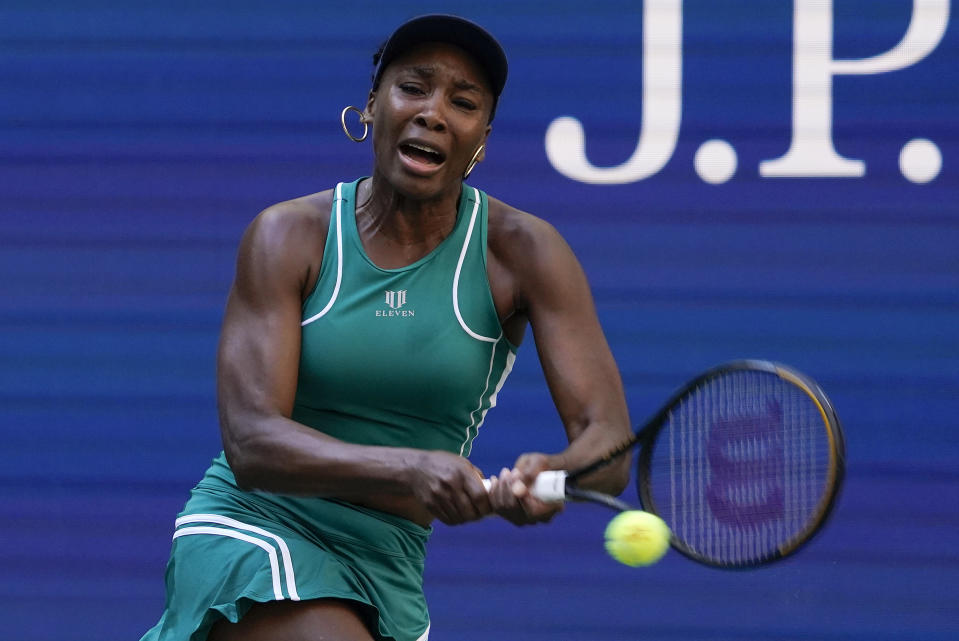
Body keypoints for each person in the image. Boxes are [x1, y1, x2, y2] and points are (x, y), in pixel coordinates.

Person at [140, 14, 631, 641]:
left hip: (389, 562)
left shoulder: (525, 251)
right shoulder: (287, 235)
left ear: (482, 137)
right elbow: (252, 442)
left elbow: (608, 442)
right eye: (413, 87)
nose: (433, 113)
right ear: (372, 106)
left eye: (463, 102)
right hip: (254, 526)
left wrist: (555, 476)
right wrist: (408, 468)